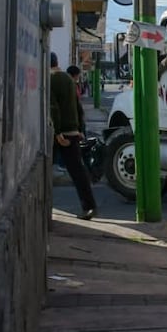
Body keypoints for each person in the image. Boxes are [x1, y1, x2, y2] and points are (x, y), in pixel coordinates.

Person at [51, 52, 97, 220]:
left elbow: (53, 108)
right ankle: (89, 206)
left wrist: (57, 132)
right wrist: (80, 129)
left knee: (43, 168)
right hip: (72, 131)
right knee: (78, 171)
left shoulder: (51, 80)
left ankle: (47, 208)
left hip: (59, 134)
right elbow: (78, 107)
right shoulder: (69, 80)